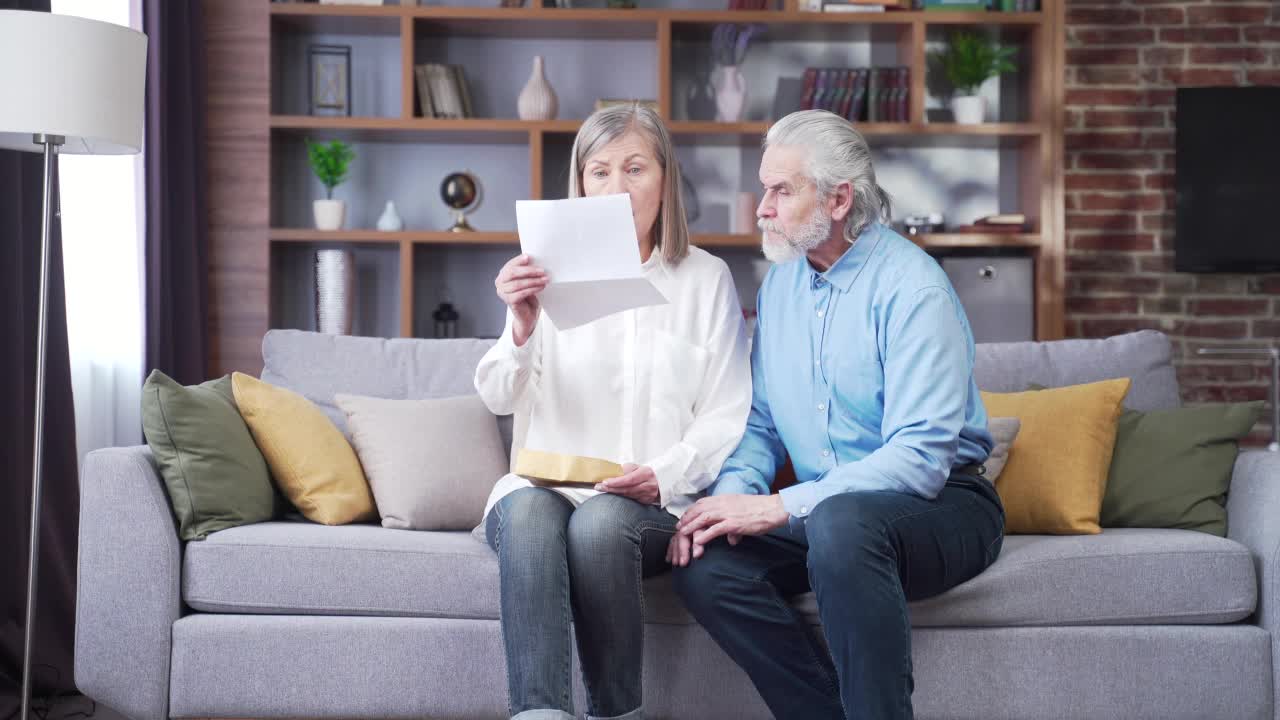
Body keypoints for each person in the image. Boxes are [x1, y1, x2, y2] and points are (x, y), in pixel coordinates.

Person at [669, 109, 1006, 720]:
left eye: (781, 191)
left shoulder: (913, 289)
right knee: (705, 561)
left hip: (942, 507)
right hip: (830, 516)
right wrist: (731, 500)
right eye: (764, 188)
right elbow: (763, 424)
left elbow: (919, 461)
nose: (761, 208)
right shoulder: (780, 288)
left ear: (839, 198)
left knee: (839, 523)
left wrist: (780, 505)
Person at [474, 102, 751, 720]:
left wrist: (667, 475)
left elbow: (727, 411)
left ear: (664, 179)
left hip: (647, 504)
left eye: (634, 169)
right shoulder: (542, 277)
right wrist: (521, 327)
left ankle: (615, 713)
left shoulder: (705, 279)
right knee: (527, 518)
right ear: (579, 185)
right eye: (599, 172)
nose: (616, 188)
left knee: (600, 525)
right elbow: (496, 395)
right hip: (544, 487)